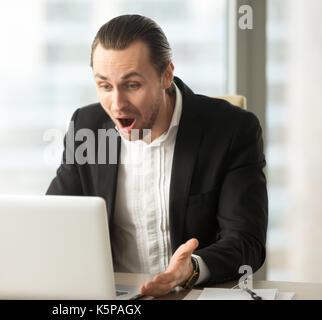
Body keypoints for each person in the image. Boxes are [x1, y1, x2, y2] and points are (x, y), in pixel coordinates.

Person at [46, 14, 268, 297]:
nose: (117, 104)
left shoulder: (231, 131)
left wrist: (192, 269)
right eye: (104, 86)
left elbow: (246, 241)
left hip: (191, 294)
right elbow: (53, 223)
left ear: (166, 75)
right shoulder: (88, 127)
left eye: (132, 85)